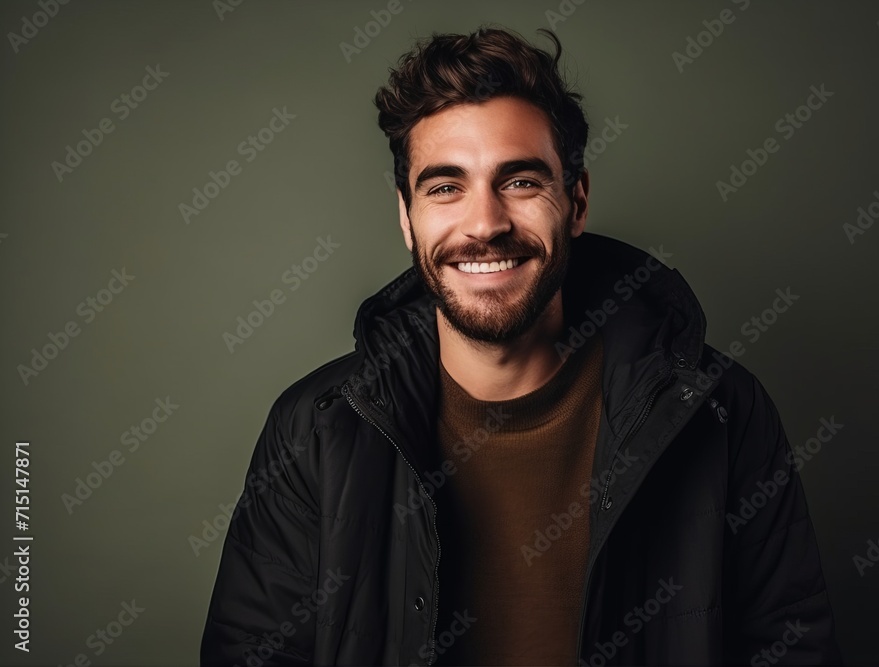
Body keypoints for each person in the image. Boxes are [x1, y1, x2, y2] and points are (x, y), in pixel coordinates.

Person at [200, 25, 843, 666]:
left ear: (577, 201)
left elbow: (792, 651)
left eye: (520, 182)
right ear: (406, 216)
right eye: (445, 187)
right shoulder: (316, 428)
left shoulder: (720, 411)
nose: (485, 224)